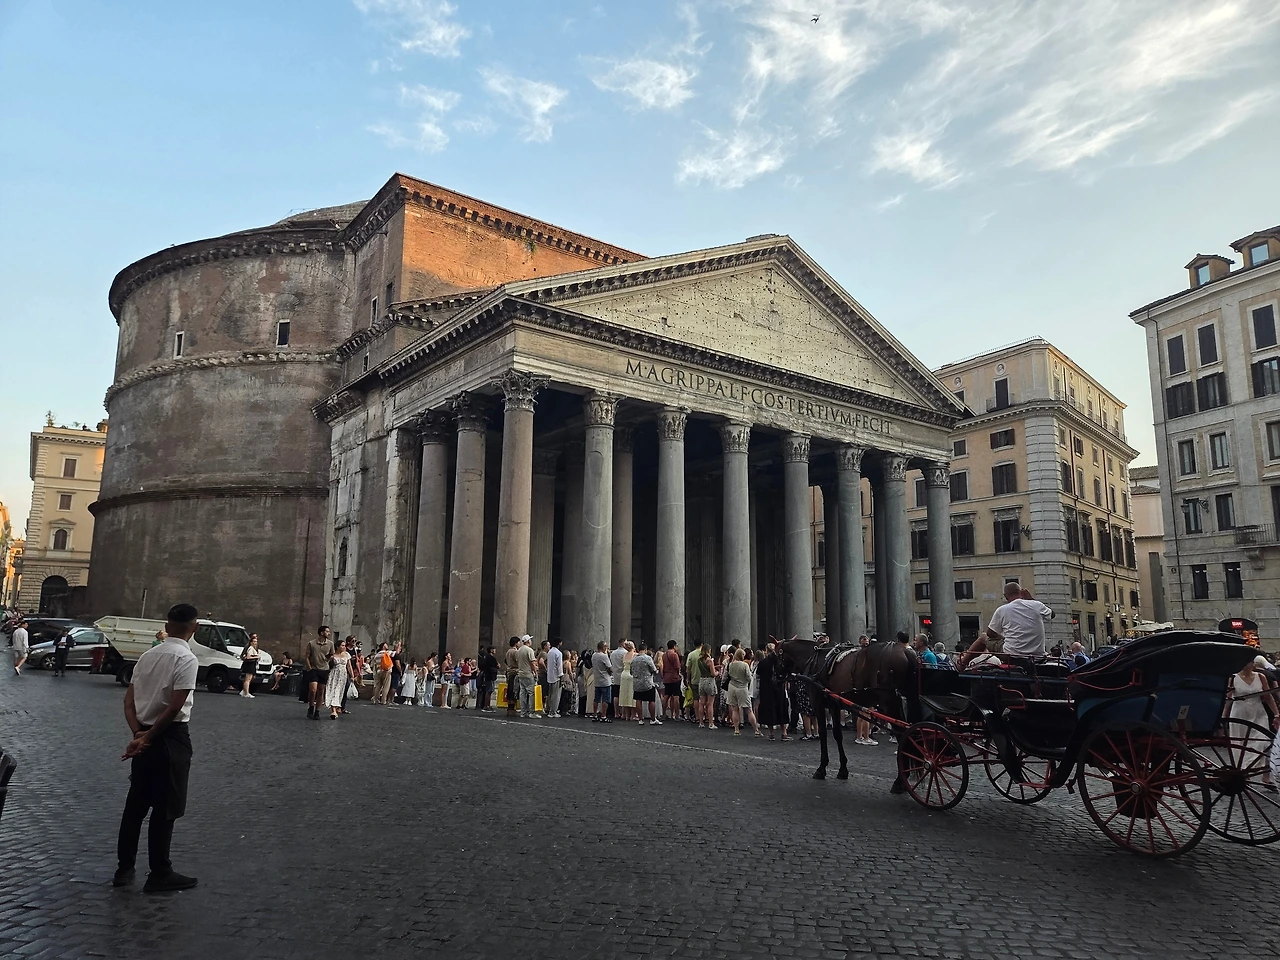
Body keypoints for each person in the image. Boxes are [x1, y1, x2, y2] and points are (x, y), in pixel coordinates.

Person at [115, 603, 201, 893]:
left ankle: (124, 868)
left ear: (167, 625)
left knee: (135, 805)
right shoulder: (186, 658)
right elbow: (175, 707)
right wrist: (149, 737)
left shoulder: (147, 656)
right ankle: (160, 871)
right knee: (166, 806)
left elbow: (128, 702)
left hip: (143, 732)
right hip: (171, 737)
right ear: (195, 627)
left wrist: (138, 734)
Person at [1226, 656, 1279, 791]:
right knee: (1240, 744)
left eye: (1248, 662)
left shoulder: (1260, 677)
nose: (1246, 665)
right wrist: (1223, 717)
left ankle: (1265, 776)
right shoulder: (1233, 678)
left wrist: (1276, 714)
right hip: (1239, 713)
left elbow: (1268, 696)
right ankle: (1244, 773)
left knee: (1263, 742)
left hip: (1258, 713)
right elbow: (1229, 699)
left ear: (1253, 664)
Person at [984, 582, 1054, 658]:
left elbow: (990, 633)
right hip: (1037, 655)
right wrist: (1031, 599)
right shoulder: (1037, 605)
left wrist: (1004, 638)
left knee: (983, 637)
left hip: (1012, 655)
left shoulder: (1001, 610)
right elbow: (1052, 614)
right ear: (1021, 592)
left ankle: (972, 662)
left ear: (1005, 596)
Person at [756, 643, 788, 740]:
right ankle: (784, 733)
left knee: (769, 710)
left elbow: (758, 674)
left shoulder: (763, 662)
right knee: (781, 709)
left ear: (766, 650)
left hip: (767, 689)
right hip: (779, 688)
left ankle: (771, 733)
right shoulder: (780, 662)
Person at [726, 649, 759, 736]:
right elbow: (749, 678)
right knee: (749, 710)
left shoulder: (730, 664)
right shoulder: (744, 665)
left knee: (734, 709)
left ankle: (736, 729)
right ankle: (756, 730)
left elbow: (727, 675)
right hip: (742, 688)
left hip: (732, 687)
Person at [304, 626, 335, 720]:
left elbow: (332, 654)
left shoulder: (330, 644)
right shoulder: (311, 643)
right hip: (313, 669)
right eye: (327, 631)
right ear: (321, 633)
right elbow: (307, 656)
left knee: (321, 691)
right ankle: (311, 707)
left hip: (324, 669)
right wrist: (309, 668)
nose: (329, 633)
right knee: (313, 690)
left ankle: (317, 711)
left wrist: (329, 657)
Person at [629, 642, 661, 725]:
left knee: (638, 700)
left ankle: (640, 719)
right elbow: (654, 670)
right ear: (645, 650)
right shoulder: (648, 658)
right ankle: (653, 719)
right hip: (647, 683)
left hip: (637, 683)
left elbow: (631, 672)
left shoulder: (633, 659)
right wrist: (656, 671)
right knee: (651, 700)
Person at [325, 638, 357, 719]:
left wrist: (352, 676)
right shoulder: (333, 655)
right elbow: (327, 665)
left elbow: (349, 666)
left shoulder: (346, 654)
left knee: (340, 691)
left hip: (343, 675)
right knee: (333, 691)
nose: (344, 647)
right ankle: (333, 711)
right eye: (342, 645)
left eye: (344, 645)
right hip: (334, 674)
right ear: (337, 646)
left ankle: (336, 708)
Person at [516, 635, 539, 718]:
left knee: (522, 693)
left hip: (521, 673)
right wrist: (535, 672)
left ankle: (523, 712)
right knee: (531, 693)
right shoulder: (529, 650)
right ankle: (531, 712)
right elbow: (532, 663)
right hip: (528, 674)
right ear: (528, 641)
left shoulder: (519, 650)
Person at [591, 641, 614, 722]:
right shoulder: (604, 656)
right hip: (605, 680)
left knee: (596, 699)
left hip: (597, 680)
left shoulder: (594, 655)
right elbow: (610, 668)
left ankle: (595, 714)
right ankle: (603, 716)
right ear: (603, 647)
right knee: (605, 699)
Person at [661, 640, 683, 721]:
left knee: (666, 696)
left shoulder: (664, 655)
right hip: (674, 677)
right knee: (676, 696)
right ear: (674, 646)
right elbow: (677, 667)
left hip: (666, 677)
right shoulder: (674, 655)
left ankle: (664, 714)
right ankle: (677, 715)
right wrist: (679, 675)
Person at [544, 637, 564, 718]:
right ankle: (553, 711)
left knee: (550, 694)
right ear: (559, 643)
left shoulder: (550, 652)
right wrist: (561, 675)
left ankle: (549, 709)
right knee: (556, 695)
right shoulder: (558, 653)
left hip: (550, 676)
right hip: (556, 676)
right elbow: (559, 666)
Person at [238, 634, 261, 698]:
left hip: (252, 664)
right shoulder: (250, 648)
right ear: (251, 642)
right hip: (250, 664)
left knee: (249, 679)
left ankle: (244, 691)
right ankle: (246, 693)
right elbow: (248, 657)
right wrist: (257, 657)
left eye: (256, 641)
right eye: (254, 641)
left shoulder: (254, 648)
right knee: (247, 679)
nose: (255, 643)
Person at [618, 640, 636, 720]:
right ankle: (633, 715)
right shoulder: (635, 655)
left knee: (624, 694)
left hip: (624, 674)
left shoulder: (624, 655)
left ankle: (625, 715)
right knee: (632, 695)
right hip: (631, 674)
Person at [478, 645, 499, 712]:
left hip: (488, 675)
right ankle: (486, 706)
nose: (495, 650)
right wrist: (497, 666)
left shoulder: (486, 657)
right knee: (489, 691)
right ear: (491, 650)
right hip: (490, 676)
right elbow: (495, 666)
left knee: (489, 691)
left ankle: (487, 705)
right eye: (494, 649)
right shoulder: (491, 658)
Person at [609, 642, 627, 719]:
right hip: (623, 675)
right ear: (623, 644)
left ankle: (616, 713)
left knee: (616, 695)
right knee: (623, 695)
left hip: (615, 675)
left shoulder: (613, 653)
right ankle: (623, 713)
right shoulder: (625, 653)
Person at [504, 637, 521, 716]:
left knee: (510, 689)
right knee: (514, 690)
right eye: (519, 642)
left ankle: (510, 707)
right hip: (514, 672)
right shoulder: (515, 651)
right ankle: (512, 707)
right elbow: (518, 661)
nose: (519, 644)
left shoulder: (508, 651)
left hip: (509, 671)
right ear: (516, 643)